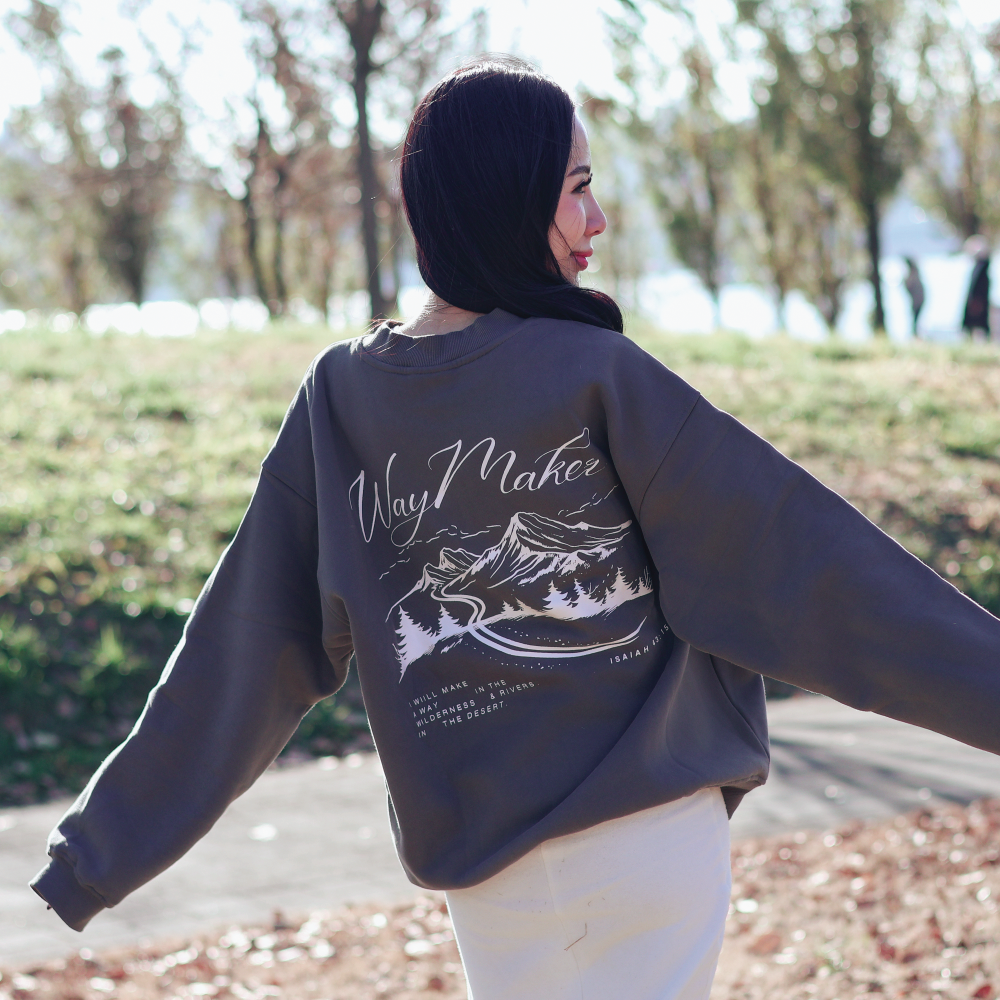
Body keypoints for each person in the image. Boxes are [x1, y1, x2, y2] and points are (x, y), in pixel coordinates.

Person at [30, 57, 1000, 1000]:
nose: (597, 219)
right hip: (643, 843)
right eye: (574, 188)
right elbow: (810, 569)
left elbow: (242, 653)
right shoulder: (590, 374)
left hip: (491, 874)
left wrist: (94, 858)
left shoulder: (345, 398)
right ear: (503, 196)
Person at [963, 235, 992, 340]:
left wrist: (977, 301)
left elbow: (980, 288)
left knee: (978, 323)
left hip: (978, 301)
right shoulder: (979, 267)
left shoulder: (983, 269)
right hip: (976, 300)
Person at [903, 256, 925, 338]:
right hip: (917, 301)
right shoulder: (915, 273)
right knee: (915, 320)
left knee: (915, 319)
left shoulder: (913, 275)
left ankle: (915, 335)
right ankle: (915, 335)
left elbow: (909, 286)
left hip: (917, 301)